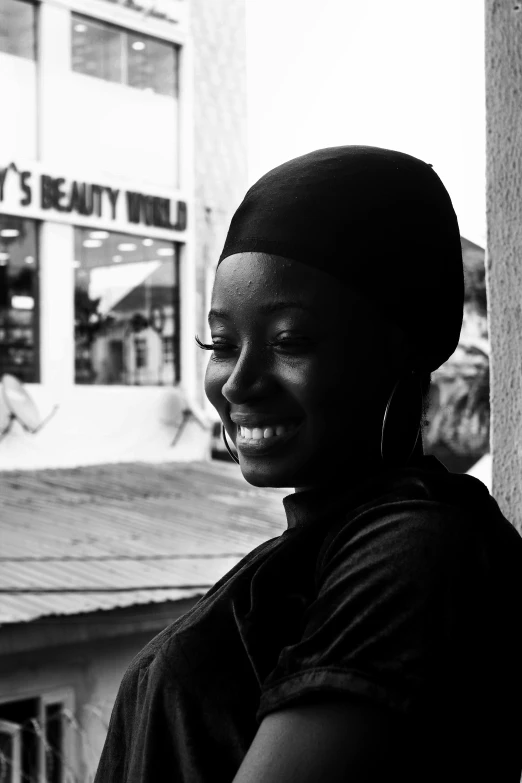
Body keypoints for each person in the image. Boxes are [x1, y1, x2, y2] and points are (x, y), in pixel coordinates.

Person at [94, 146, 522, 783]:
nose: (238, 383)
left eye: (289, 340)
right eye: (222, 343)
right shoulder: (328, 545)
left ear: (401, 350)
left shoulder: (412, 550)